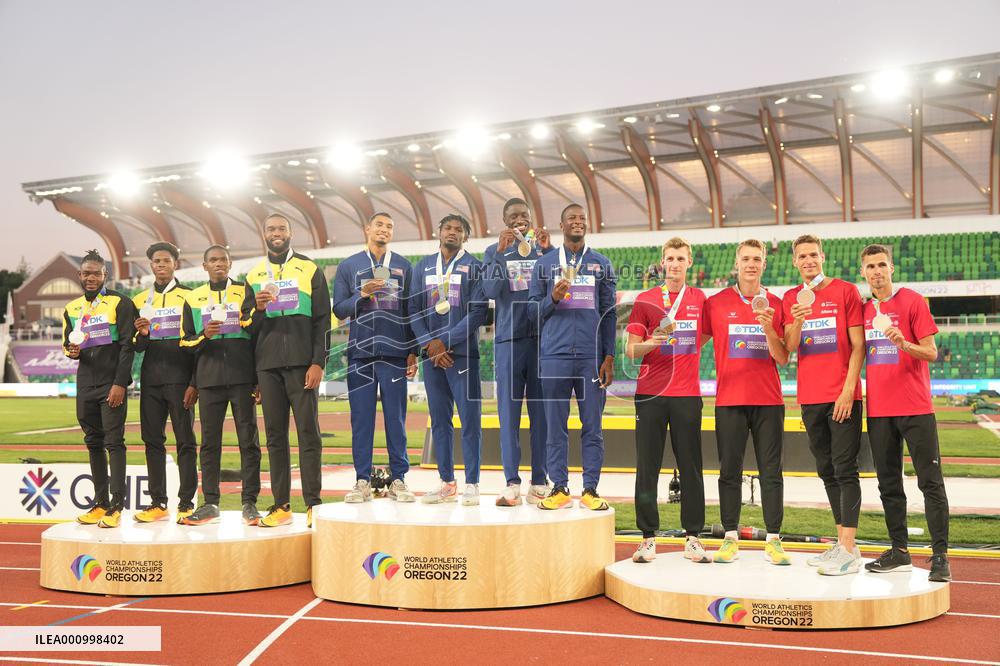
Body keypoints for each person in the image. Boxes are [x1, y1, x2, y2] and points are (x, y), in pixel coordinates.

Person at [859, 244, 951, 582]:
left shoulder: (912, 301)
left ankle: (940, 555)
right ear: (863, 273)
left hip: (915, 408)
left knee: (930, 482)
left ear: (892, 268)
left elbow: (932, 352)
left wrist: (904, 344)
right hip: (880, 411)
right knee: (888, 484)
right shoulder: (864, 309)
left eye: (881, 264)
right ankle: (899, 550)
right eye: (870, 266)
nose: (876, 271)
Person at [702, 239, 791, 565]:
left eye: (757, 259)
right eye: (746, 259)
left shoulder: (776, 303)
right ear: (736, 264)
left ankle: (774, 540)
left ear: (764, 264)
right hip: (729, 400)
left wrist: (769, 329)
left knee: (772, 472)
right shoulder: (716, 303)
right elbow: (694, 342)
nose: (751, 264)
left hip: (768, 400)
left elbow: (782, 357)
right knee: (729, 471)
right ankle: (729, 537)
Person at [783, 234, 864, 575]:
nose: (808, 261)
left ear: (823, 256)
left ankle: (847, 548)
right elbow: (788, 349)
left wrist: (847, 391)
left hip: (842, 396)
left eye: (813, 254)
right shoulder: (791, 297)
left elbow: (858, 346)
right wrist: (798, 319)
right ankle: (844, 544)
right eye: (802, 256)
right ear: (794, 262)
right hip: (810, 398)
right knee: (827, 470)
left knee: (846, 469)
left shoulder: (846, 291)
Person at [625, 237, 710, 564]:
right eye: (670, 258)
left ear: (690, 262)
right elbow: (631, 350)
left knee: (691, 468)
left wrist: (684, 350)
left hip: (687, 395)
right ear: (663, 262)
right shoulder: (646, 300)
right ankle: (648, 538)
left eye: (680, 259)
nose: (674, 264)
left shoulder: (700, 298)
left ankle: (693, 537)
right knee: (647, 467)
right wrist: (654, 341)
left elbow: (703, 337)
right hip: (650, 394)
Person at [528, 203, 617, 511]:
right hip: (554, 356)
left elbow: (609, 313)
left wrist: (609, 356)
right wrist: (552, 298)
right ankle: (560, 487)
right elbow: (530, 312)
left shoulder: (601, 263)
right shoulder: (544, 265)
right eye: (572, 219)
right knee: (555, 426)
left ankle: (590, 489)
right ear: (561, 225)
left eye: (582, 218)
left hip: (591, 358)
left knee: (592, 426)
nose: (577, 222)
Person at [246, 214, 332, 527]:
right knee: (275, 438)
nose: (276, 233)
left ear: (291, 232)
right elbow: (247, 328)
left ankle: (313, 504)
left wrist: (318, 361)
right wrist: (256, 308)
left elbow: (323, 319)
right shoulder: (254, 274)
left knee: (309, 434)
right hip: (267, 367)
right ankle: (281, 505)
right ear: (264, 233)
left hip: (301, 365)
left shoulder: (309, 268)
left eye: (282, 228)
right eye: (271, 228)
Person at [332, 212, 418, 504]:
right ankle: (362, 480)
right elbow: (339, 310)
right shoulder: (349, 266)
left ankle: (399, 480)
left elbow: (411, 311)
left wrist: (412, 351)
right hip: (360, 355)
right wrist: (361, 295)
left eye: (389, 225)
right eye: (379, 224)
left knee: (397, 419)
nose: (384, 229)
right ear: (367, 229)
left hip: (394, 353)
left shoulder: (405, 266)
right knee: (361, 421)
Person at [179, 245, 261, 525]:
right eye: (213, 260)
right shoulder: (193, 298)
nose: (218, 264)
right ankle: (210, 502)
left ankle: (249, 502)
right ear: (205, 266)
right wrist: (204, 335)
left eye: (223, 260)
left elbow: (256, 330)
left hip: (242, 377)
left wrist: (258, 378)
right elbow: (186, 342)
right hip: (209, 381)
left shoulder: (243, 291)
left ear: (230, 264)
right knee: (209, 445)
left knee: (248, 442)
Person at [410, 214, 488, 505]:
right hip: (432, 358)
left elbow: (478, 312)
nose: (452, 233)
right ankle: (446, 482)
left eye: (459, 230)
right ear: (439, 232)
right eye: (448, 228)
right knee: (440, 421)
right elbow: (414, 310)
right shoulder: (423, 266)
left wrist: (447, 341)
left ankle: (472, 484)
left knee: (470, 421)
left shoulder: (475, 267)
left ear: (465, 236)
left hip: (462, 355)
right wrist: (429, 344)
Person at [481, 198, 553, 506]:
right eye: (513, 217)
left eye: (524, 215)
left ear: (532, 217)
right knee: (508, 416)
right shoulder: (493, 251)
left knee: (541, 417)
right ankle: (511, 481)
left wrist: (549, 253)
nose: (520, 220)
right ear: (505, 220)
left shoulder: (544, 250)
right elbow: (489, 292)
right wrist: (499, 254)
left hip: (541, 341)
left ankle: (539, 481)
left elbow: (557, 289)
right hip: (508, 342)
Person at [62, 250, 135, 528]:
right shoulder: (71, 308)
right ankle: (100, 502)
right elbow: (69, 348)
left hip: (110, 383)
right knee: (93, 442)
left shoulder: (120, 302)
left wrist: (120, 382)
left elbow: (128, 346)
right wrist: (72, 350)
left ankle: (116, 506)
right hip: (85, 384)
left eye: (97, 273)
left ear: (106, 275)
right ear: (79, 276)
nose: (91, 277)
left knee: (114, 442)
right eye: (86, 273)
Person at [132, 242, 199, 523]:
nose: (160, 265)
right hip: (151, 380)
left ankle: (187, 502)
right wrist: (143, 334)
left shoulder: (190, 297)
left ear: (176, 264)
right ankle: (158, 502)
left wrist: (194, 382)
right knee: (152, 441)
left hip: (180, 379)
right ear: (151, 266)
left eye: (165, 260)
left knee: (185, 440)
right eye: (156, 261)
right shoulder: (138, 301)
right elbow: (137, 346)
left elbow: (198, 343)